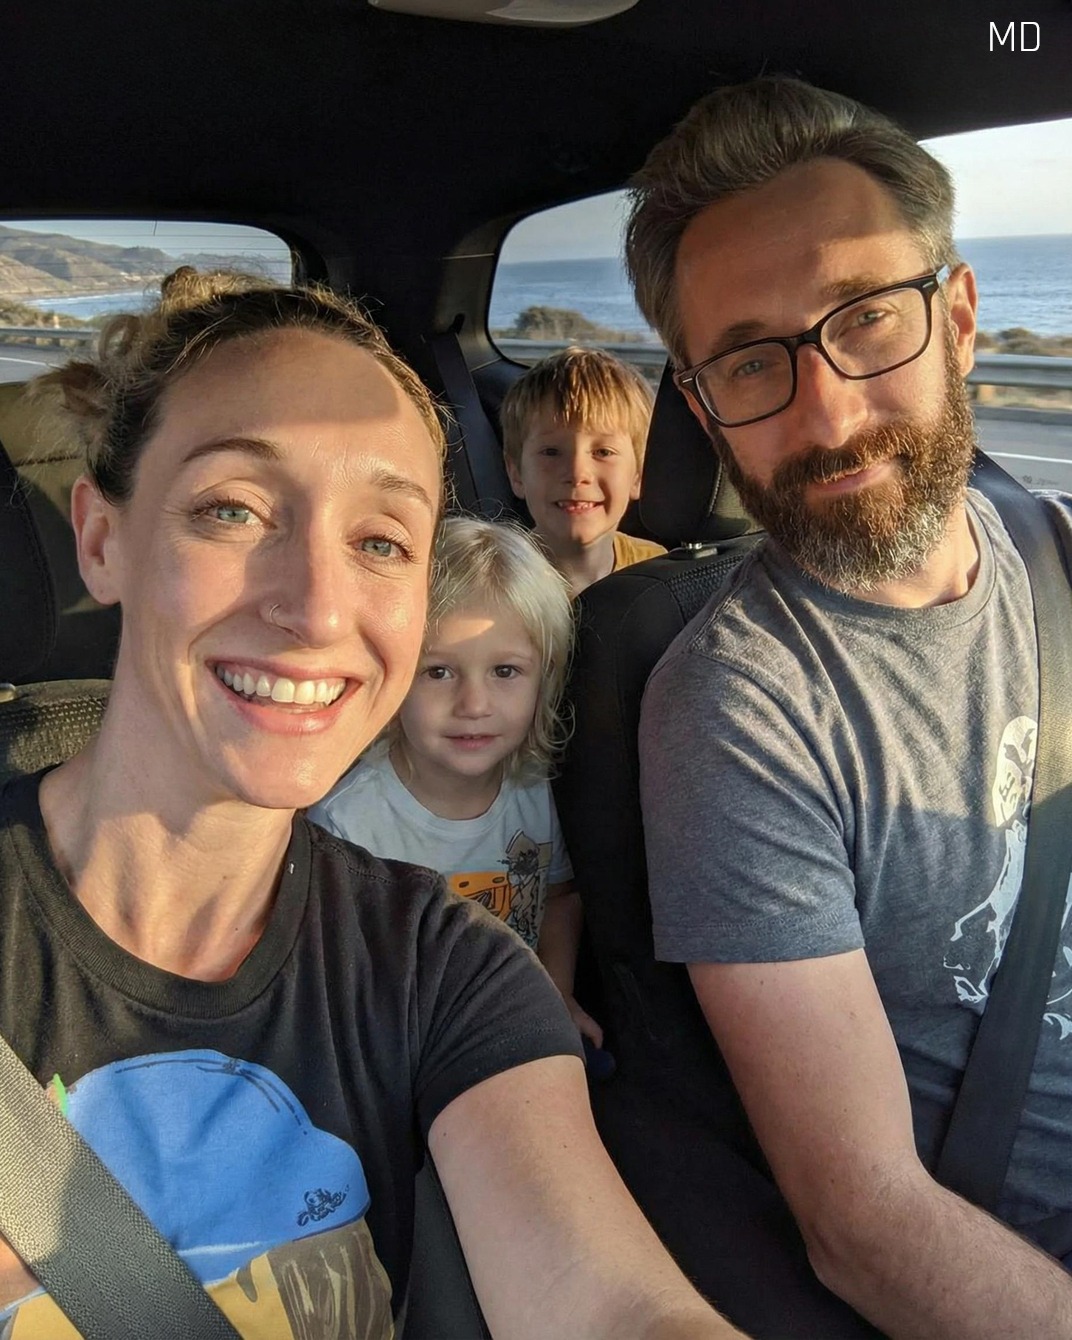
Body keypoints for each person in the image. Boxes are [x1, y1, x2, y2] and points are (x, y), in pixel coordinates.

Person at [0, 267, 750, 1339]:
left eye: (381, 541)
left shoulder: (448, 969)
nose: (316, 608)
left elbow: (614, 1306)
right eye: (232, 509)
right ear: (101, 539)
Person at [625, 76, 1072, 1338]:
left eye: (865, 320)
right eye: (749, 360)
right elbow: (866, 1224)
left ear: (959, 318)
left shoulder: (1059, 553)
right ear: (702, 407)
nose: (826, 412)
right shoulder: (738, 706)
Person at [310, 514, 602, 1046]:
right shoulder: (347, 824)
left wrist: (555, 994)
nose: (473, 704)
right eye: (438, 671)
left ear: (545, 679)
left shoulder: (537, 790)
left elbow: (559, 899)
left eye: (505, 671)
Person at [500, 345, 666, 596]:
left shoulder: (655, 570)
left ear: (639, 474)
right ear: (516, 473)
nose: (577, 474)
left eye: (603, 452)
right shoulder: (494, 584)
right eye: (551, 452)